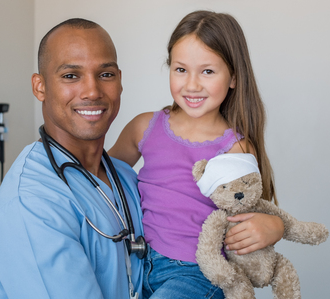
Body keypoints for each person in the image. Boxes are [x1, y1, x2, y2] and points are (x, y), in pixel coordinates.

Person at [108, 11, 284, 299]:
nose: (191, 85)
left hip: (198, 275)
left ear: (233, 78)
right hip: (136, 264)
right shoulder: (145, 128)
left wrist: (275, 226)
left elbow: (253, 212)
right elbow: (99, 177)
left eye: (207, 71)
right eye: (180, 70)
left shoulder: (235, 148)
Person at [0, 19, 145, 298]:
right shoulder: (31, 203)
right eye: (71, 75)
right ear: (40, 86)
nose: (92, 91)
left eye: (105, 74)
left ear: (119, 81)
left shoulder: (125, 178)